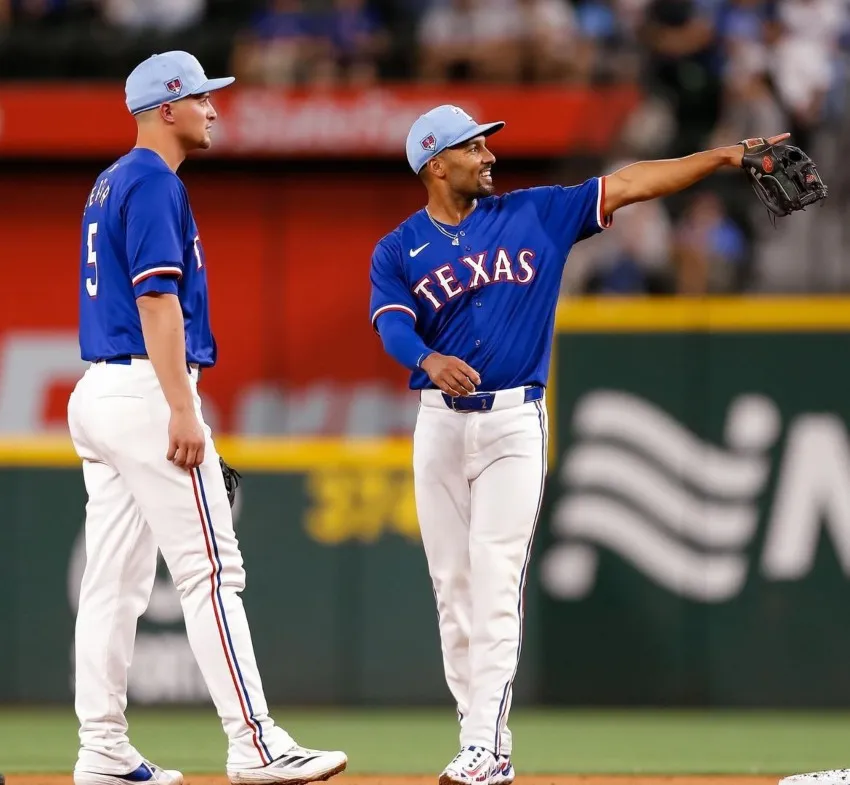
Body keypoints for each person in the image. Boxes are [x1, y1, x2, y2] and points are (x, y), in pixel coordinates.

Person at [367, 103, 786, 785]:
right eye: (474, 148)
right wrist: (425, 356)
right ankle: (483, 740)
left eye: (486, 146)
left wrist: (721, 157)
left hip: (513, 423)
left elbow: (633, 182)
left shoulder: (537, 212)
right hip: (438, 423)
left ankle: (483, 745)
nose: (489, 156)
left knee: (496, 578)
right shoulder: (397, 248)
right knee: (453, 591)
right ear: (436, 163)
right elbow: (391, 323)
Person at [67, 50, 348, 785]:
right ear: (167, 108)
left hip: (101, 390)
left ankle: (101, 748)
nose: (214, 108)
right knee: (210, 571)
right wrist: (182, 407)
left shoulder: (111, 180)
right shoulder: (154, 181)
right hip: (144, 389)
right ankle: (254, 744)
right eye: (200, 97)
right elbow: (158, 300)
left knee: (113, 584)